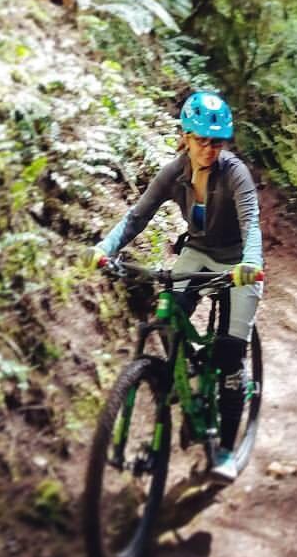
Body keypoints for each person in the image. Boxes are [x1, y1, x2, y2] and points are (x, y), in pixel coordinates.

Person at [90, 90, 264, 484]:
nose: (208, 149)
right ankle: (190, 386)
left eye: (216, 142)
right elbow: (138, 217)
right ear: (185, 137)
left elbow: (251, 222)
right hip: (198, 252)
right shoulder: (175, 172)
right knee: (169, 315)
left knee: (231, 357)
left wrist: (251, 263)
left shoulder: (235, 173)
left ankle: (223, 450)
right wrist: (106, 247)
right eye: (201, 140)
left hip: (238, 262)